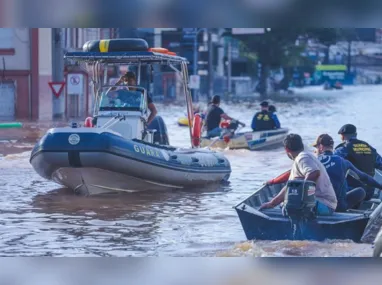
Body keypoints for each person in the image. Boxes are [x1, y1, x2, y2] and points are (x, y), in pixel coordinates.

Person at [259, 134, 337, 215]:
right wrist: (272, 203)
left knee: (289, 205)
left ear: (286, 149)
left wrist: (304, 195)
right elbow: (289, 187)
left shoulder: (302, 158)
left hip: (324, 205)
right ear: (302, 145)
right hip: (325, 205)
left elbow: (314, 173)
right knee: (286, 201)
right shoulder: (304, 157)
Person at [313, 134, 382, 212]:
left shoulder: (313, 161)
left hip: (319, 205)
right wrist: (380, 186)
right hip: (339, 206)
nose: (315, 150)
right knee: (361, 191)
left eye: (316, 147)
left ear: (321, 147)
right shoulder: (343, 161)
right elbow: (364, 178)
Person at [334, 124, 382, 201]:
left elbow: (332, 165)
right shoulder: (369, 148)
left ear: (342, 136)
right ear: (356, 134)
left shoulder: (342, 150)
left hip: (352, 192)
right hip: (369, 193)